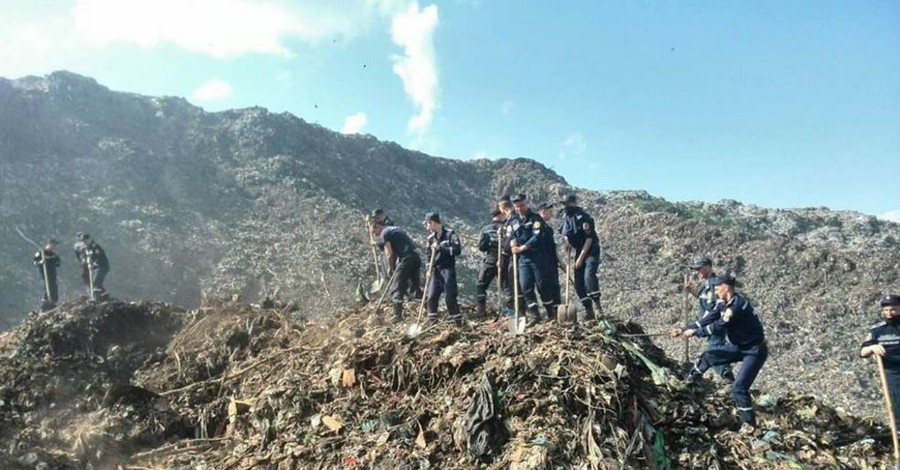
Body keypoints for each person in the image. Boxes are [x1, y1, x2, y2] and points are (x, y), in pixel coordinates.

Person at [670, 274, 768, 430]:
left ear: (726, 288)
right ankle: (689, 383)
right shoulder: (723, 302)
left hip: (754, 350)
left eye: (717, 289)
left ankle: (750, 426)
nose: (715, 292)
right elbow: (708, 318)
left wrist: (695, 333)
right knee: (709, 356)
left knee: (739, 388)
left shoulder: (736, 306)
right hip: (739, 346)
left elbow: (718, 326)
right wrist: (683, 329)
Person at [685, 257, 735, 382]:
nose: (698, 272)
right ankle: (727, 377)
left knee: (716, 349)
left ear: (707, 267)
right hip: (709, 324)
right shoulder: (707, 285)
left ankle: (727, 377)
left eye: (699, 269)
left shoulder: (714, 284)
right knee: (714, 349)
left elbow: (713, 307)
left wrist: (697, 326)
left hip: (714, 325)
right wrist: (692, 291)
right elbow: (704, 300)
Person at [508, 194, 552, 326]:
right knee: (525, 286)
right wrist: (512, 244)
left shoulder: (536, 219)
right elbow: (511, 235)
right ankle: (535, 315)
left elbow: (536, 237)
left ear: (526, 204)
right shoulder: (514, 220)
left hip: (537, 257)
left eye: (521, 205)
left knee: (542, 285)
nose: (519, 208)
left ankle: (550, 314)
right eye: (516, 206)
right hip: (523, 260)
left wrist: (522, 248)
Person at [859, 294, 900, 435]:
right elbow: (863, 352)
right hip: (891, 371)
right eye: (886, 310)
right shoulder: (878, 330)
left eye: (893, 310)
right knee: (897, 403)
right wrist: (872, 348)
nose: (889, 313)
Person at [558, 195, 602, 321]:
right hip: (578, 250)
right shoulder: (566, 218)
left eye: (567, 204)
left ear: (573, 203)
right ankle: (589, 310)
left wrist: (580, 259)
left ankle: (599, 309)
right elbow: (565, 233)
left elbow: (589, 239)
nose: (565, 207)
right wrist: (567, 242)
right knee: (578, 282)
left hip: (591, 250)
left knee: (588, 276)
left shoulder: (584, 218)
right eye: (563, 204)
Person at [373, 222, 422, 322]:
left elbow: (389, 254)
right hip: (416, 258)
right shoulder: (395, 230)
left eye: (375, 232)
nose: (377, 235)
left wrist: (391, 268)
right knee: (414, 287)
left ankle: (397, 315)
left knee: (397, 285)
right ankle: (429, 308)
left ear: (378, 227)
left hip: (406, 258)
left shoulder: (384, 233)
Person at [423, 212, 463, 326]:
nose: (426, 227)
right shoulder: (430, 239)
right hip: (435, 270)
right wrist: (428, 269)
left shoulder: (450, 234)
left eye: (427, 224)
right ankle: (433, 324)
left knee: (449, 297)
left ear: (433, 222)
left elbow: (457, 250)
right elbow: (428, 255)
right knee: (431, 297)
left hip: (447, 269)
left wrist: (440, 248)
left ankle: (457, 324)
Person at [475, 209, 508, 318]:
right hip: (506, 260)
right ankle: (510, 313)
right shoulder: (509, 227)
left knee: (481, 284)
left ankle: (481, 312)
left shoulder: (486, 229)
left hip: (492, 260)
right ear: (501, 215)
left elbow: (481, 247)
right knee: (507, 288)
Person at [537, 202, 562, 318]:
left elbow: (552, 247)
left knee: (555, 287)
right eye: (549, 211)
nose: (551, 213)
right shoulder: (536, 226)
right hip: (541, 262)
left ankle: (557, 313)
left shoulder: (548, 228)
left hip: (551, 262)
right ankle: (550, 314)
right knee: (544, 287)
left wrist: (559, 261)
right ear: (543, 211)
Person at [33, 239, 61, 311]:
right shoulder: (41, 253)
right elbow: (34, 262)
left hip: (53, 273)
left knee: (54, 287)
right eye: (53, 245)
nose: (54, 247)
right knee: (48, 286)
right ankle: (45, 302)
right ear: (49, 244)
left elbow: (58, 264)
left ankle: (53, 302)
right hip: (45, 273)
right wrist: (41, 262)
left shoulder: (54, 255)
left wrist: (53, 262)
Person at [81, 234, 110, 300]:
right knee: (97, 283)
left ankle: (97, 298)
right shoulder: (87, 248)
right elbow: (88, 257)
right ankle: (105, 295)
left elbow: (100, 257)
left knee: (96, 282)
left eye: (86, 240)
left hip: (102, 266)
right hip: (96, 267)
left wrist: (93, 264)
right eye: (83, 241)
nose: (85, 242)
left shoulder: (95, 246)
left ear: (89, 239)